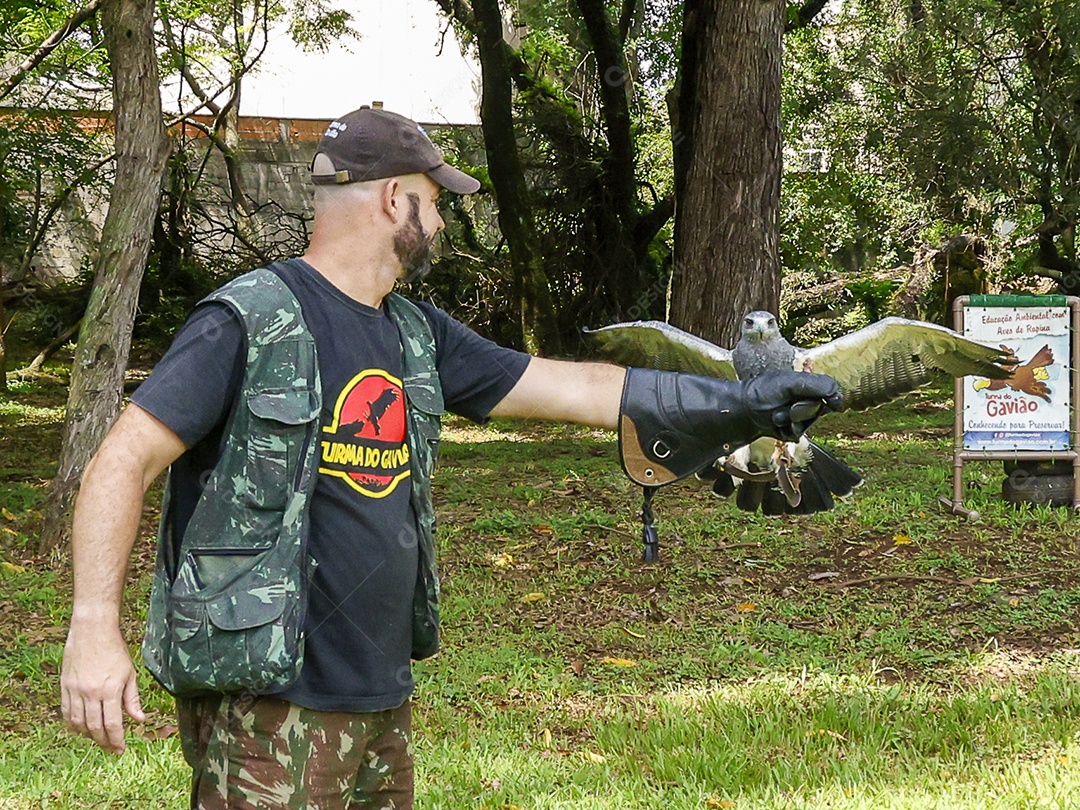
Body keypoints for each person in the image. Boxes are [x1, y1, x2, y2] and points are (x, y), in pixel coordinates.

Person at [60, 105, 842, 809]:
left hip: (380, 701)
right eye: (434, 203)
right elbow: (119, 462)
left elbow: (577, 390)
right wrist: (94, 626)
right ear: (392, 199)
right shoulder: (248, 320)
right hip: (266, 705)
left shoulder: (415, 334)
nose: (439, 223)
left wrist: (741, 403)